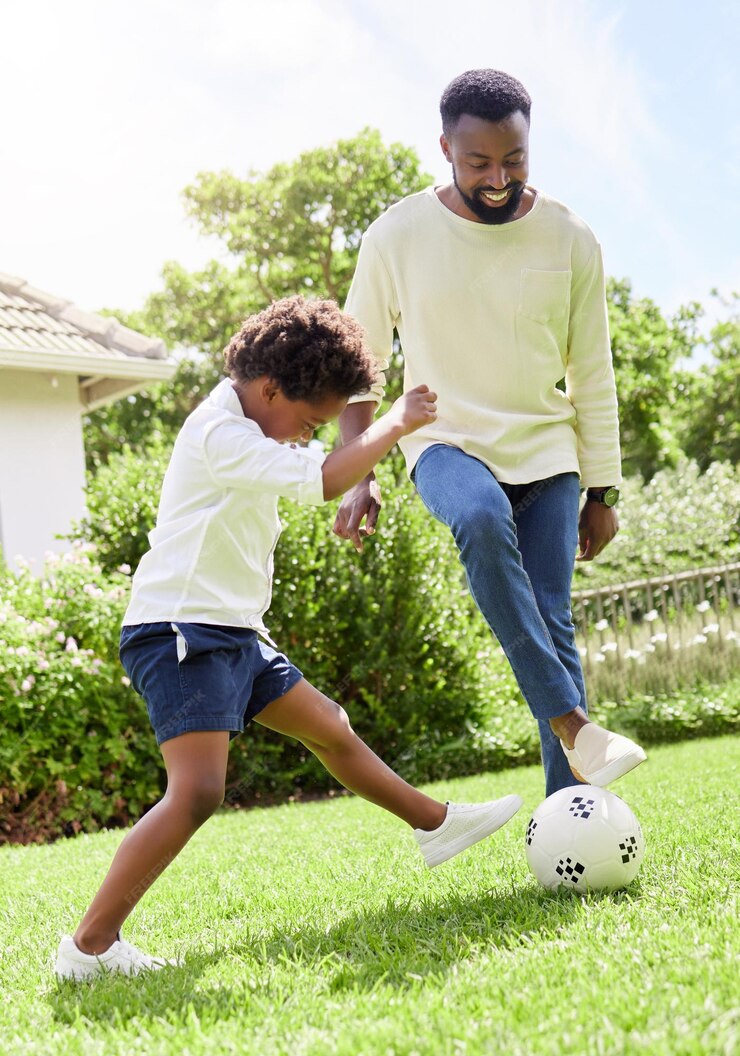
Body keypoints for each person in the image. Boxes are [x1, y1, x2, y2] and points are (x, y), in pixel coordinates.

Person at [55, 295, 524, 981]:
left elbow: (318, 474)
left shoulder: (250, 422)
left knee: (329, 724)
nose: (308, 437)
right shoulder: (221, 431)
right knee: (197, 791)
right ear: (268, 388)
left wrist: (353, 468)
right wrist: (394, 420)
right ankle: (87, 948)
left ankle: (435, 824)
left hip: (233, 631)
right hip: (181, 629)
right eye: (308, 423)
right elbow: (323, 479)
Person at [333, 68, 647, 797]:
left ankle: (573, 814)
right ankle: (576, 727)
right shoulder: (397, 235)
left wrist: (603, 487)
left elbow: (592, 371)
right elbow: (358, 366)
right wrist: (360, 471)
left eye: (515, 160)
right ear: (445, 147)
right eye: (479, 163)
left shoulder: (571, 237)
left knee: (552, 623)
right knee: (477, 515)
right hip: (446, 442)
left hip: (547, 453)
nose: (499, 179)